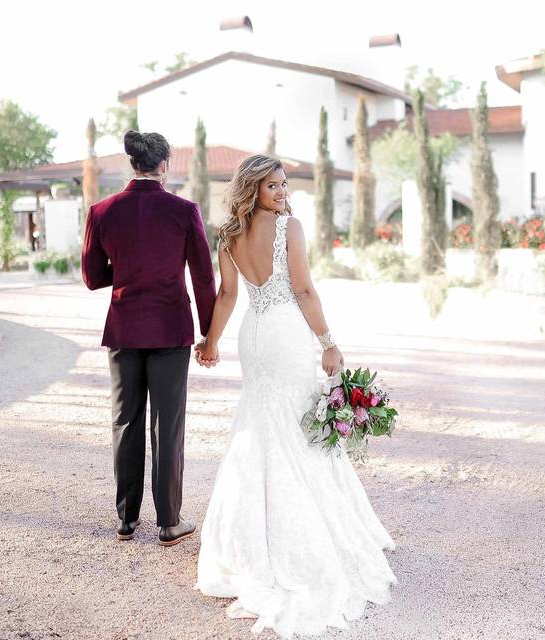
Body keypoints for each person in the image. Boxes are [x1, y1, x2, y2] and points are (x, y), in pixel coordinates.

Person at [192, 154, 397, 638]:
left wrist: (212, 341)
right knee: (296, 428)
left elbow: (228, 296)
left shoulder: (227, 235)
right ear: (253, 189)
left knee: (263, 425)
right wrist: (328, 342)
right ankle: (301, 542)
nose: (283, 193)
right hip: (285, 334)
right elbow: (303, 290)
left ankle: (253, 537)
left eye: (284, 185)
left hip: (254, 335)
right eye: (273, 186)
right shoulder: (291, 228)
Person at [81, 130, 216, 547]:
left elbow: (91, 277)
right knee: (167, 426)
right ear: (164, 165)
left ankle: (126, 520)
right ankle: (169, 522)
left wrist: (121, 275)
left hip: (123, 329)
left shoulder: (102, 211)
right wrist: (209, 332)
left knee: (125, 422)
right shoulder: (184, 210)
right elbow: (202, 276)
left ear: (131, 164)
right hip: (171, 329)